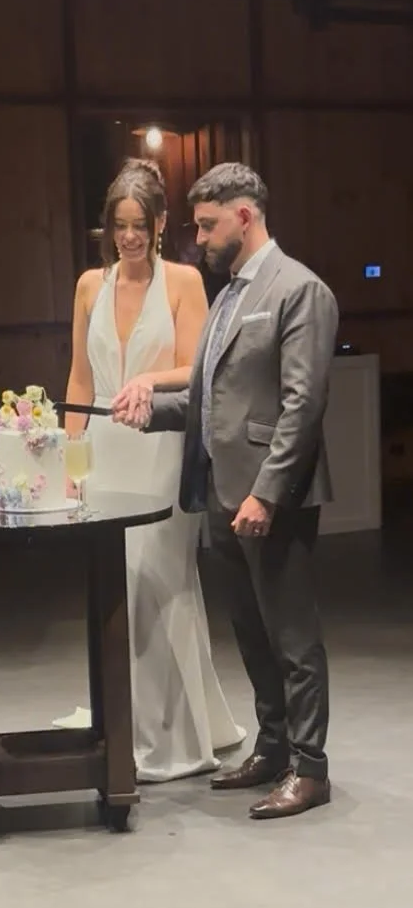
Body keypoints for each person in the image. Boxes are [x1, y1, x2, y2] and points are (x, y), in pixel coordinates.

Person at [113, 162, 339, 819]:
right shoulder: (230, 296)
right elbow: (210, 400)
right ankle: (272, 747)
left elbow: (301, 407)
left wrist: (266, 493)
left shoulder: (299, 290)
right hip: (220, 492)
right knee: (249, 630)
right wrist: (150, 412)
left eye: (209, 225)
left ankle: (310, 768)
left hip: (270, 497)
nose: (200, 238)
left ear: (244, 216)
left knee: (291, 635)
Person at [56, 157, 245, 782]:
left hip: (160, 445)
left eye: (140, 224)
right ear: (108, 227)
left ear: (161, 224)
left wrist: (146, 379)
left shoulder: (184, 282)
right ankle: (122, 722)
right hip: (104, 451)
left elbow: (197, 366)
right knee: (115, 584)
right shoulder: (90, 286)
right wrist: (69, 457)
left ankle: (171, 736)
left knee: (159, 579)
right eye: (120, 225)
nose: (130, 236)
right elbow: (80, 379)